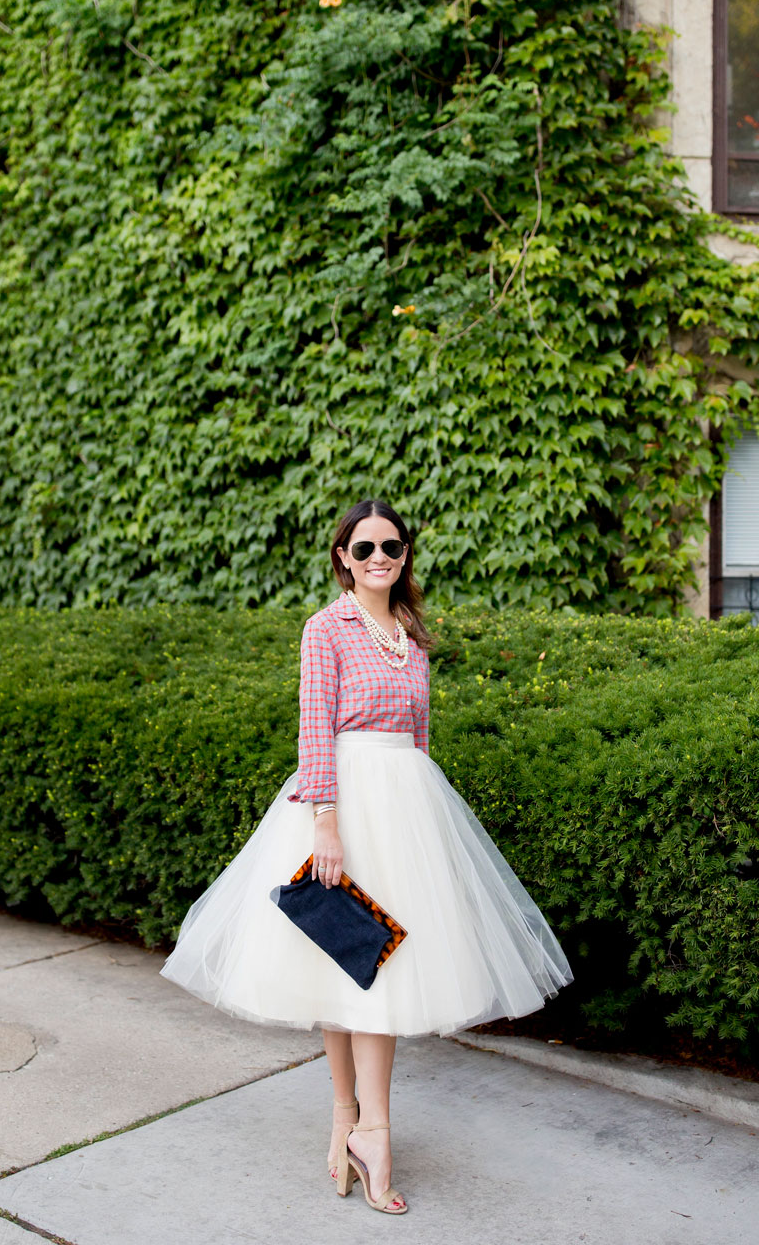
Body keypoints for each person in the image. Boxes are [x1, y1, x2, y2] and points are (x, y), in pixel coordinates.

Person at [159, 498, 574, 1214]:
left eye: (392, 546)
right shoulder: (326, 628)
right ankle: (355, 1122)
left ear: (405, 556)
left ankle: (361, 1128)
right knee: (346, 957)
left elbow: (419, 735)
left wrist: (425, 820)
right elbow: (314, 726)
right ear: (342, 558)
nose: (379, 557)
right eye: (364, 548)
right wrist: (324, 822)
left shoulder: (410, 633)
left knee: (375, 965)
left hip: (407, 809)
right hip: (341, 802)